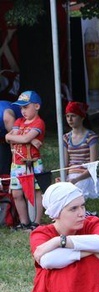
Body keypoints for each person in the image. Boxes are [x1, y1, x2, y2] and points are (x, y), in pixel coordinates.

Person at [5, 90, 45, 230]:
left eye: (26, 107)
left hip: (32, 163)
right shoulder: (18, 121)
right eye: (21, 108)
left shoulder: (38, 123)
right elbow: (9, 137)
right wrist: (23, 138)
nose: (23, 111)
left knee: (35, 192)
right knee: (17, 193)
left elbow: (23, 138)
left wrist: (22, 138)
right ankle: (24, 222)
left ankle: (37, 221)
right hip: (16, 163)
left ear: (37, 106)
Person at [63, 101, 99, 199]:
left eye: (73, 116)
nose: (70, 119)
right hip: (70, 176)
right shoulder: (66, 138)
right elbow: (64, 164)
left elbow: (93, 166)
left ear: (82, 117)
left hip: (84, 176)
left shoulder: (91, 137)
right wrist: (63, 178)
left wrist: (76, 179)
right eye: (67, 116)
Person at [0, 99, 20, 177]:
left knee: (16, 157)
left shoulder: (6, 118)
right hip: (4, 131)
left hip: (15, 129)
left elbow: (14, 141)